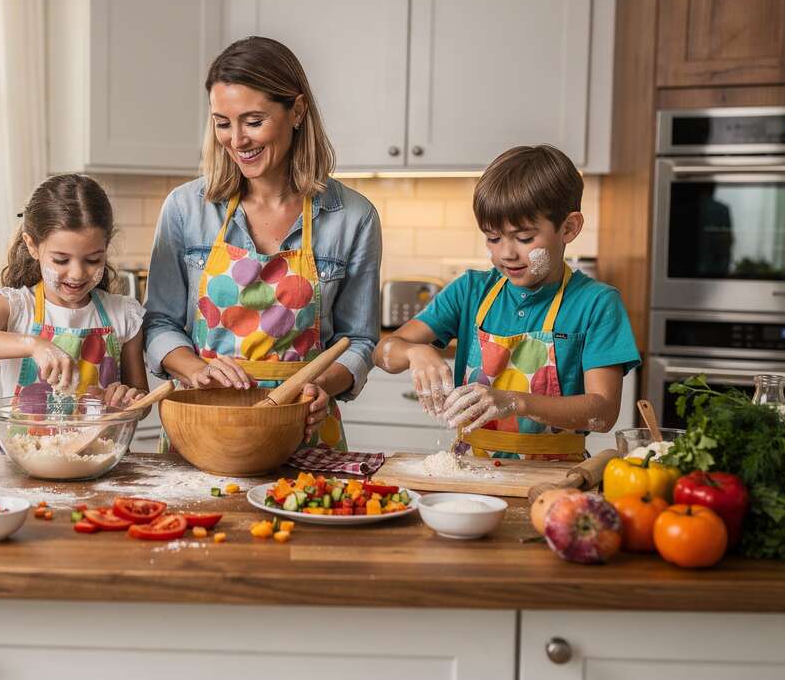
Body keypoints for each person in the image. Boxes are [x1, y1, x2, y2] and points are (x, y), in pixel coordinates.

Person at [144, 36, 382, 451]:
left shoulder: (352, 217)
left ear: (297, 111)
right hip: (202, 426)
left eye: (253, 121)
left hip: (303, 434)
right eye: (222, 122)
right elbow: (159, 322)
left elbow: (359, 339)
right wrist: (196, 370)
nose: (237, 140)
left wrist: (320, 389)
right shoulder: (186, 208)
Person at [376, 145, 640, 461]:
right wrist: (415, 351)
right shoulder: (471, 291)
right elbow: (385, 352)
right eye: (492, 237)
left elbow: (603, 410)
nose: (506, 253)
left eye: (524, 238)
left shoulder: (596, 303)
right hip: (471, 471)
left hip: (555, 480)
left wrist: (515, 402)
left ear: (568, 228)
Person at [0, 174, 147, 410]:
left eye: (92, 259)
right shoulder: (16, 306)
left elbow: (142, 400)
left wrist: (127, 398)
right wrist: (33, 344)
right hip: (23, 447)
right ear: (32, 246)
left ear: (106, 248)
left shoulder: (123, 314)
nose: (77, 273)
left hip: (104, 447)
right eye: (61, 260)